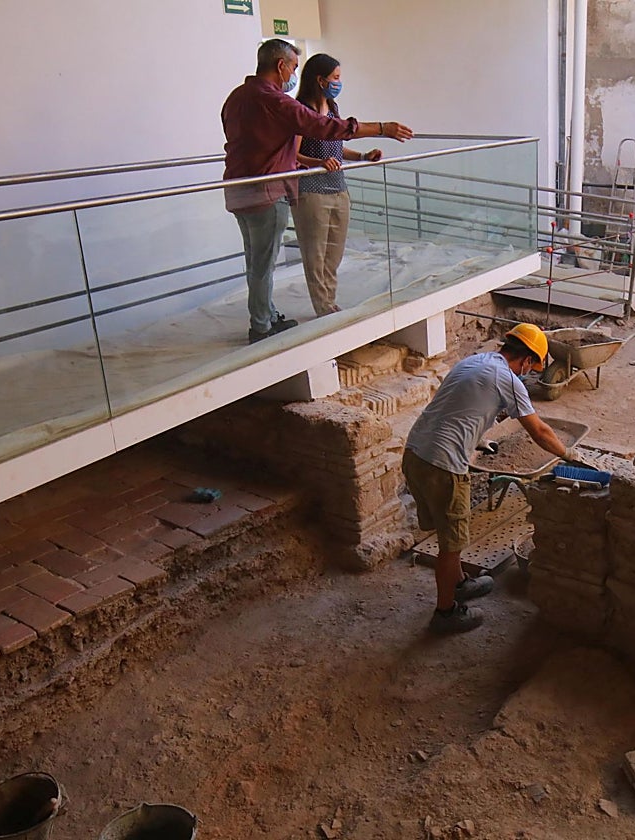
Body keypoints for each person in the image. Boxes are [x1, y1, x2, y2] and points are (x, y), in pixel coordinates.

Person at [221, 39, 413, 343]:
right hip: (267, 191)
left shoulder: (236, 98)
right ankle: (261, 325)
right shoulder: (278, 102)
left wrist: (361, 155)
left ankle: (267, 315)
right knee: (264, 262)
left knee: (258, 260)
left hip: (238, 189)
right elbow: (323, 128)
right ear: (281, 66)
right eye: (293, 67)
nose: (293, 73)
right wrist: (381, 128)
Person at [402, 324, 583, 635]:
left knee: (450, 534)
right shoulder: (509, 380)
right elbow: (538, 430)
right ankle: (446, 613)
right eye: (532, 366)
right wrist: (567, 454)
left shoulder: (473, 361)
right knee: (452, 543)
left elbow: (460, 408)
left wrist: (478, 439)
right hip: (443, 466)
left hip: (415, 453)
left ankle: (459, 583)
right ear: (526, 360)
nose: (530, 372)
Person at [292, 54, 381, 317]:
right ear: (320, 80)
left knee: (334, 252)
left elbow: (337, 147)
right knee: (315, 253)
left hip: (338, 188)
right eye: (336, 78)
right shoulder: (300, 112)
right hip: (311, 191)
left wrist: (364, 156)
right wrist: (318, 162)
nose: (338, 83)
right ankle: (323, 307)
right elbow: (293, 154)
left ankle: (329, 300)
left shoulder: (333, 109)